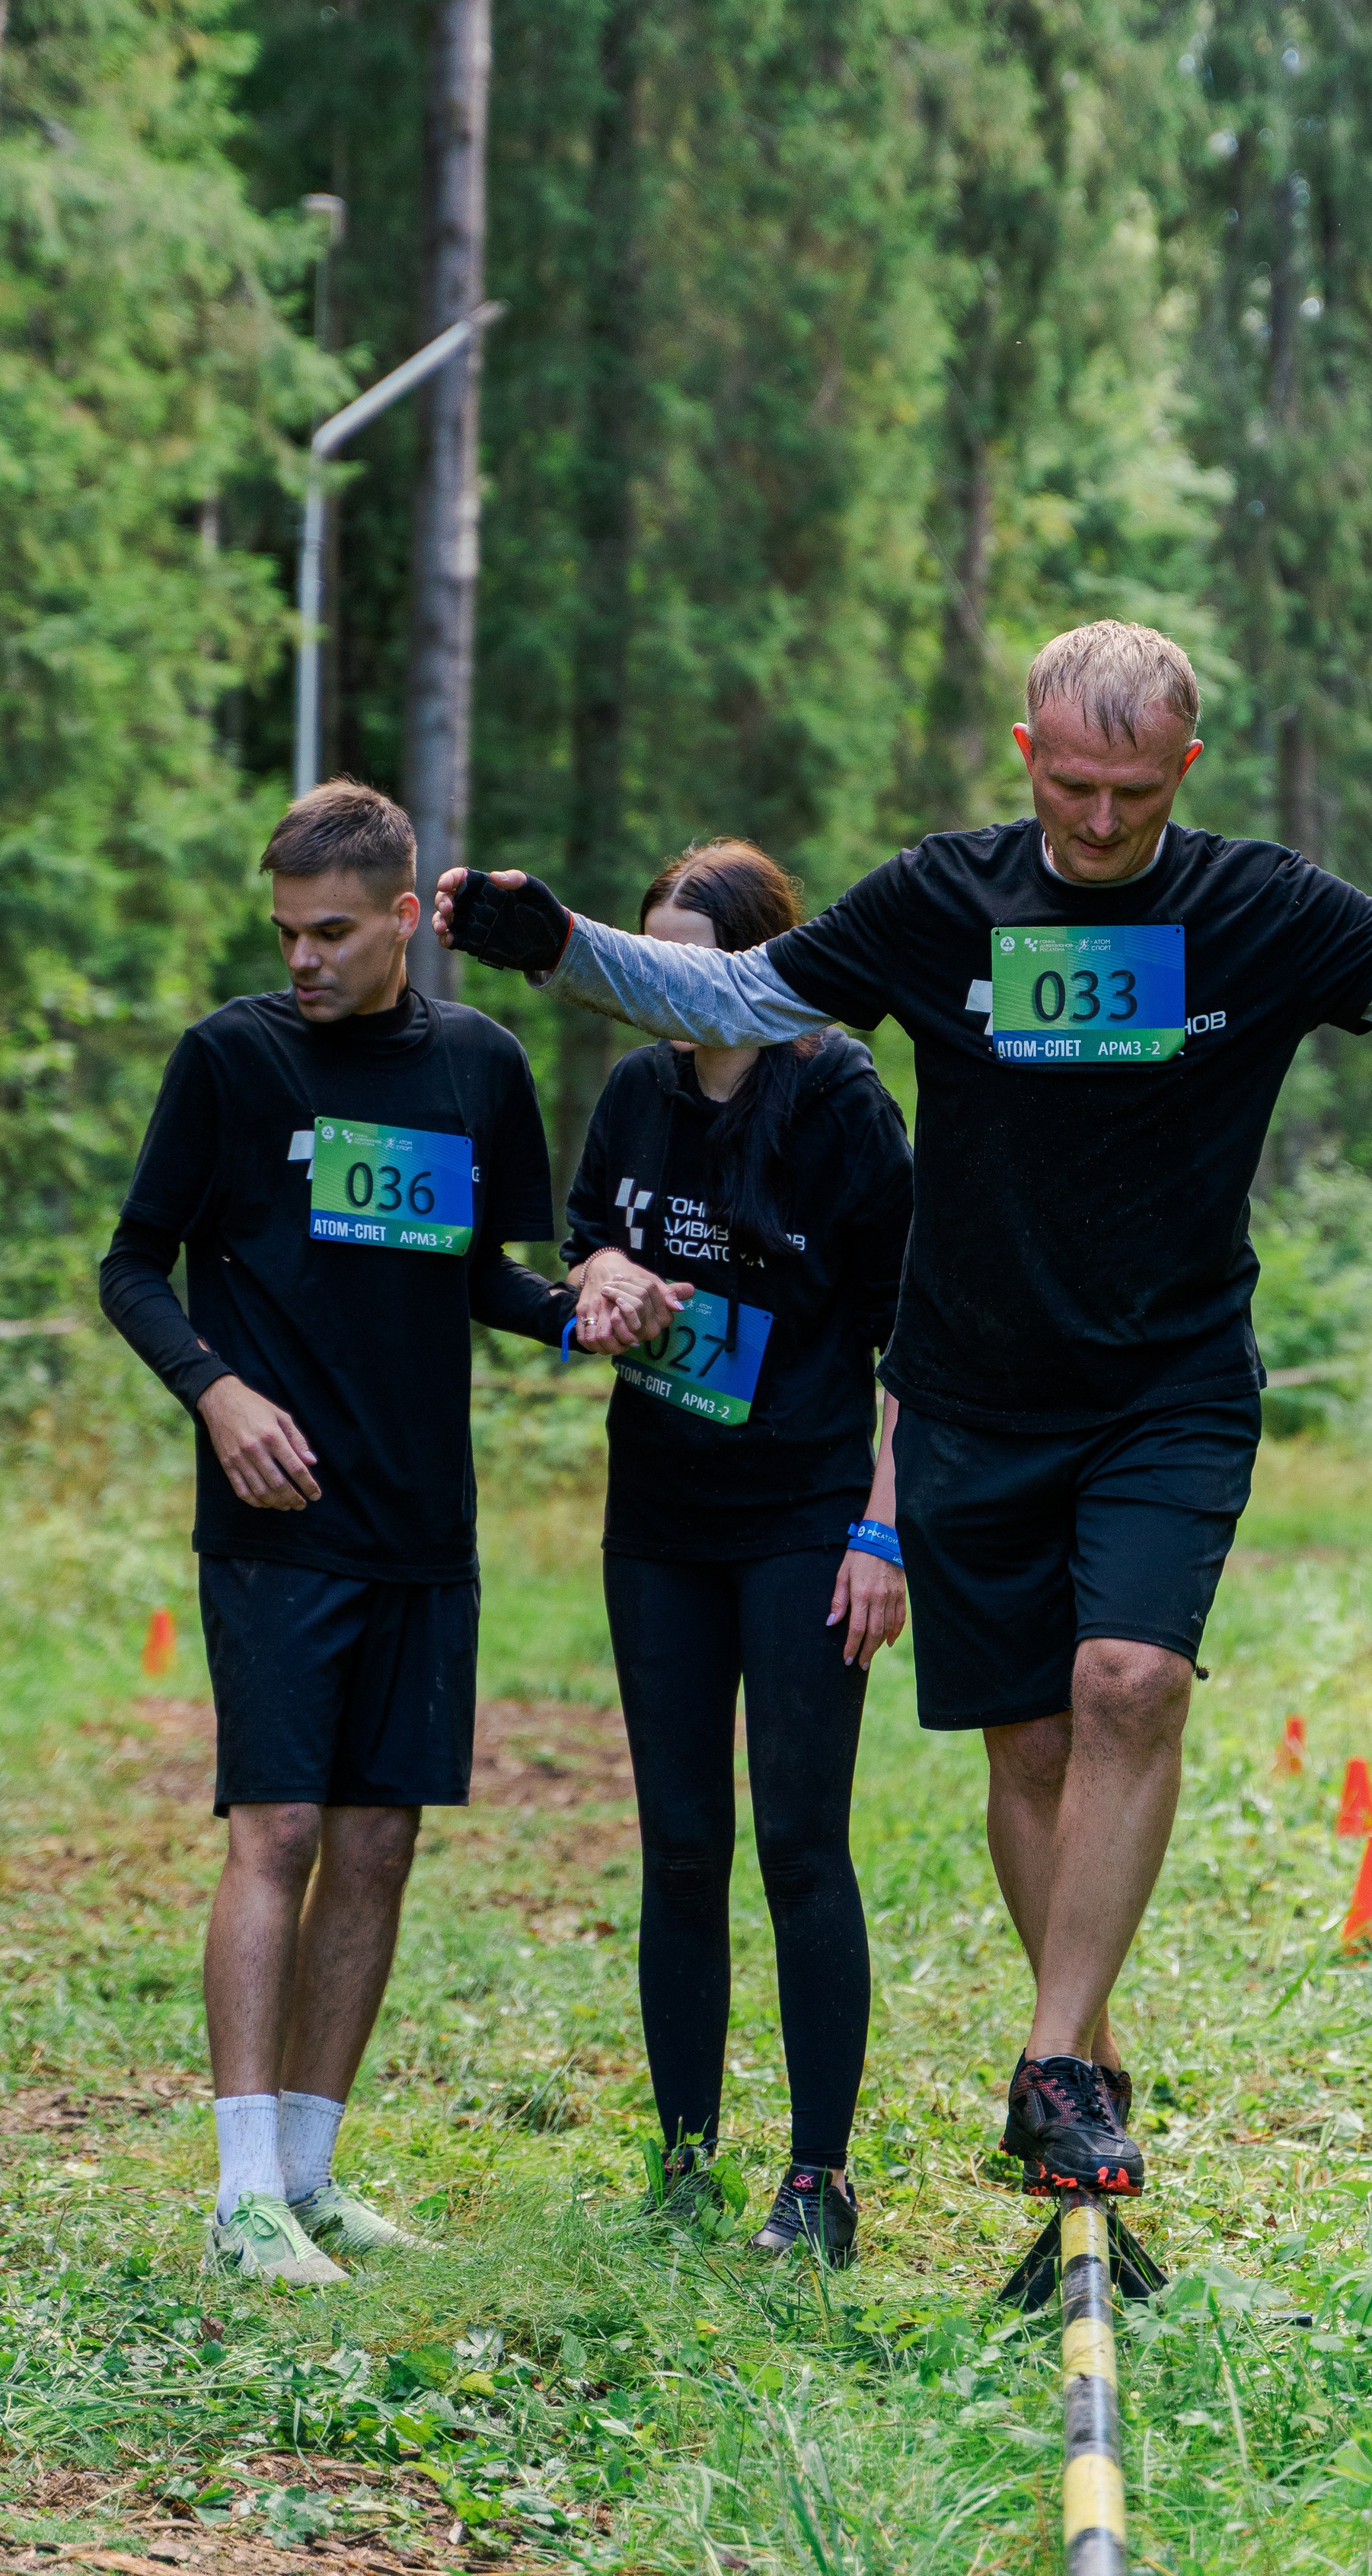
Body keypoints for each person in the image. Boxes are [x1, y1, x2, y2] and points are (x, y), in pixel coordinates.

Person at [432, 619, 1372, 2205]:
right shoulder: (941, 898)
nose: (1094, 822)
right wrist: (563, 942)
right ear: (1025, 754)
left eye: (1131, 794)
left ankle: (1055, 2056)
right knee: (1031, 1740)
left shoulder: (1254, 908)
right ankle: (1085, 2057)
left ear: (1184, 771)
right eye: (1071, 785)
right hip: (972, 1388)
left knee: (1129, 1677)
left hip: (1168, 1377)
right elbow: (733, 980)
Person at [100, 780, 577, 2284]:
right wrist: (218, 1393)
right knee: (279, 1827)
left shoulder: (479, 1065)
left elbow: (487, 1275)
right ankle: (240, 2196)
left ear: (398, 913)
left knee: (374, 1842)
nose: (302, 958)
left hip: (421, 1519)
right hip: (275, 1519)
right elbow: (133, 1266)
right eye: (284, 933)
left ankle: (308, 2177)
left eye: (328, 932)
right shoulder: (233, 1061)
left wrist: (586, 1311)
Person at [561, 840, 912, 2268]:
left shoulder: (835, 1097)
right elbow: (582, 1243)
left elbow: (918, 1332)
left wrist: (884, 1526)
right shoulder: (638, 1090)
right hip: (658, 1514)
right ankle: (684, 2159)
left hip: (806, 1515)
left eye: (696, 962)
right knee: (680, 1842)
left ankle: (817, 2182)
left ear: (765, 962)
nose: (668, 986)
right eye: (649, 959)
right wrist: (602, 1279)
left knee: (797, 1843)